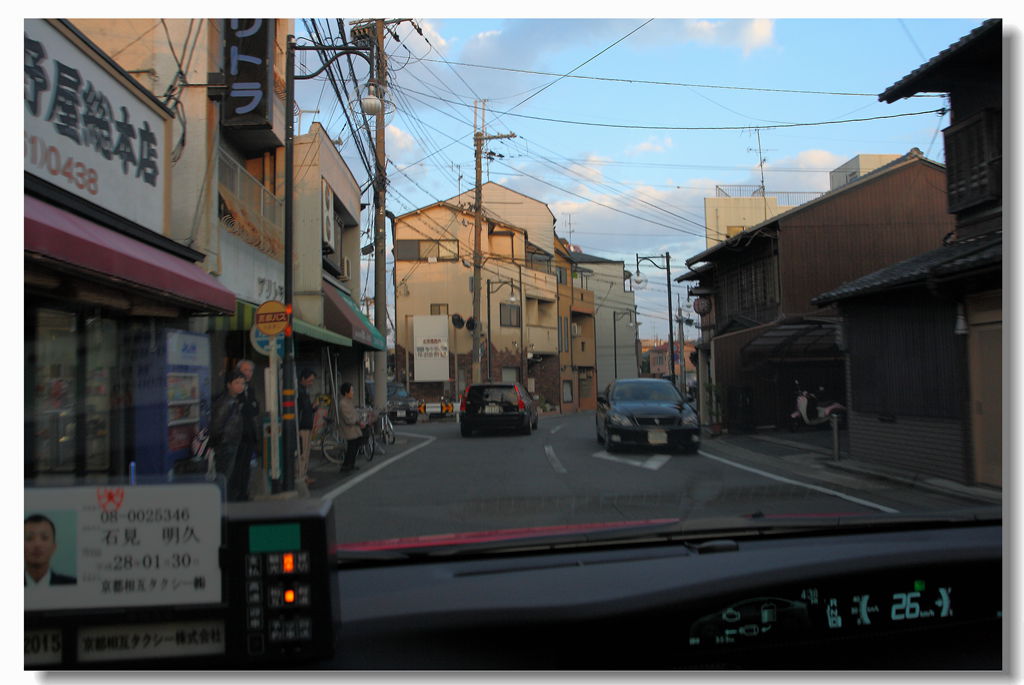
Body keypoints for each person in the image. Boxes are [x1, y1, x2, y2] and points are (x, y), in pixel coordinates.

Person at [210, 370, 246, 501]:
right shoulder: (227, 402)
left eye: (243, 383)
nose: (241, 386)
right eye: (237, 383)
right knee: (223, 475)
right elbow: (216, 425)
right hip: (225, 444)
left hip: (230, 442)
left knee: (226, 475)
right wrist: (220, 441)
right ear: (228, 384)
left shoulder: (234, 401)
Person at [25, 514, 76, 586]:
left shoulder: (71, 584)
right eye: (29, 538)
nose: (37, 544)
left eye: (44, 538)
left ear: (54, 547)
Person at [235, 359, 260, 501]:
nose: (248, 373)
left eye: (250, 371)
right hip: (237, 435)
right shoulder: (233, 391)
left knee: (246, 467)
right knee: (237, 467)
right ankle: (236, 495)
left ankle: (244, 494)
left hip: (249, 433)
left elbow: (255, 409)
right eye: (246, 370)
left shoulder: (250, 389)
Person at [338, 381, 365, 472]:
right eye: (352, 390)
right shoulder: (343, 403)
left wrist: (360, 419)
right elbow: (348, 419)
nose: (353, 392)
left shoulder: (348, 402)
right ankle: (346, 465)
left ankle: (350, 464)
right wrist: (358, 422)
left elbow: (354, 414)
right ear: (346, 392)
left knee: (354, 447)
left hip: (354, 428)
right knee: (351, 448)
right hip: (349, 429)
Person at [297, 368, 318, 486]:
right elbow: (301, 410)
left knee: (306, 452)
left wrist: (313, 407)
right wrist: (311, 408)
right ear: (303, 379)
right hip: (302, 426)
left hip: (307, 424)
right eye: (310, 380)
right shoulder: (299, 392)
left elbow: (306, 409)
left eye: (312, 381)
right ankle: (300, 476)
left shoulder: (304, 391)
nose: (311, 383)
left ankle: (303, 475)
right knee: (302, 453)